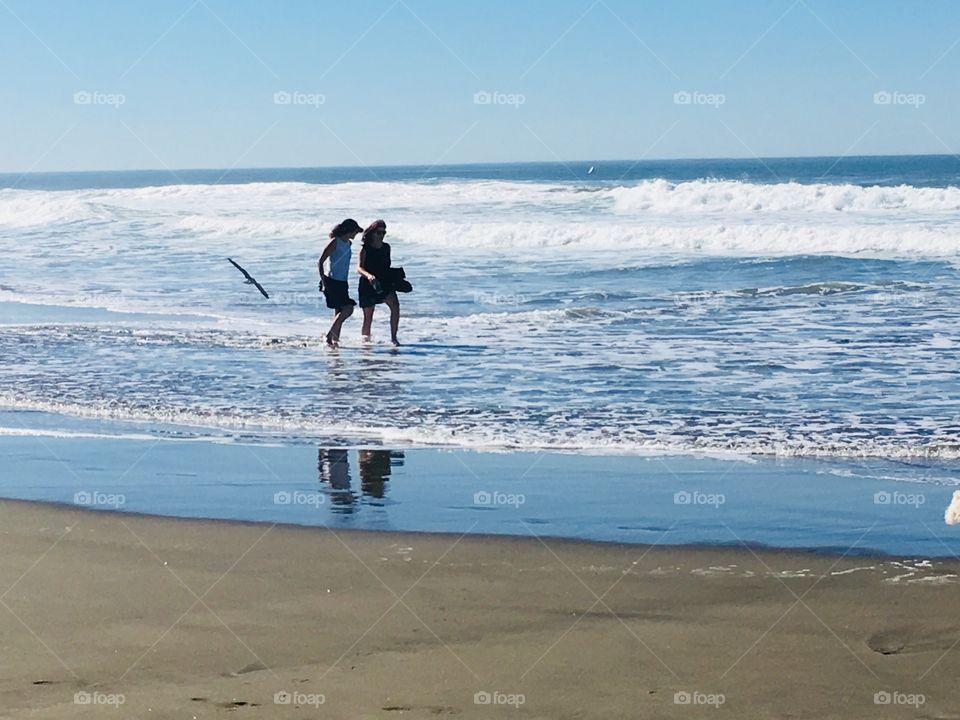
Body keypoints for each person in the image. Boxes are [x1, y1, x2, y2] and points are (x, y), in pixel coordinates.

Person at [318, 218, 362, 346]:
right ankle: (329, 335)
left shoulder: (348, 243)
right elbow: (320, 261)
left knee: (339, 312)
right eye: (355, 232)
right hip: (332, 281)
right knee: (348, 309)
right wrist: (323, 281)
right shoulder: (335, 242)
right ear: (348, 231)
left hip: (343, 282)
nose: (356, 235)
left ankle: (335, 341)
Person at [357, 219, 401, 345]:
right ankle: (365, 342)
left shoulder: (386, 247)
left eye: (384, 233)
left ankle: (394, 338)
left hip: (384, 282)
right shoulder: (365, 249)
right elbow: (359, 268)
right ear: (372, 233)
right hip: (368, 283)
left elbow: (386, 266)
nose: (381, 235)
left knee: (395, 306)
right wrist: (369, 276)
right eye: (379, 233)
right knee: (368, 315)